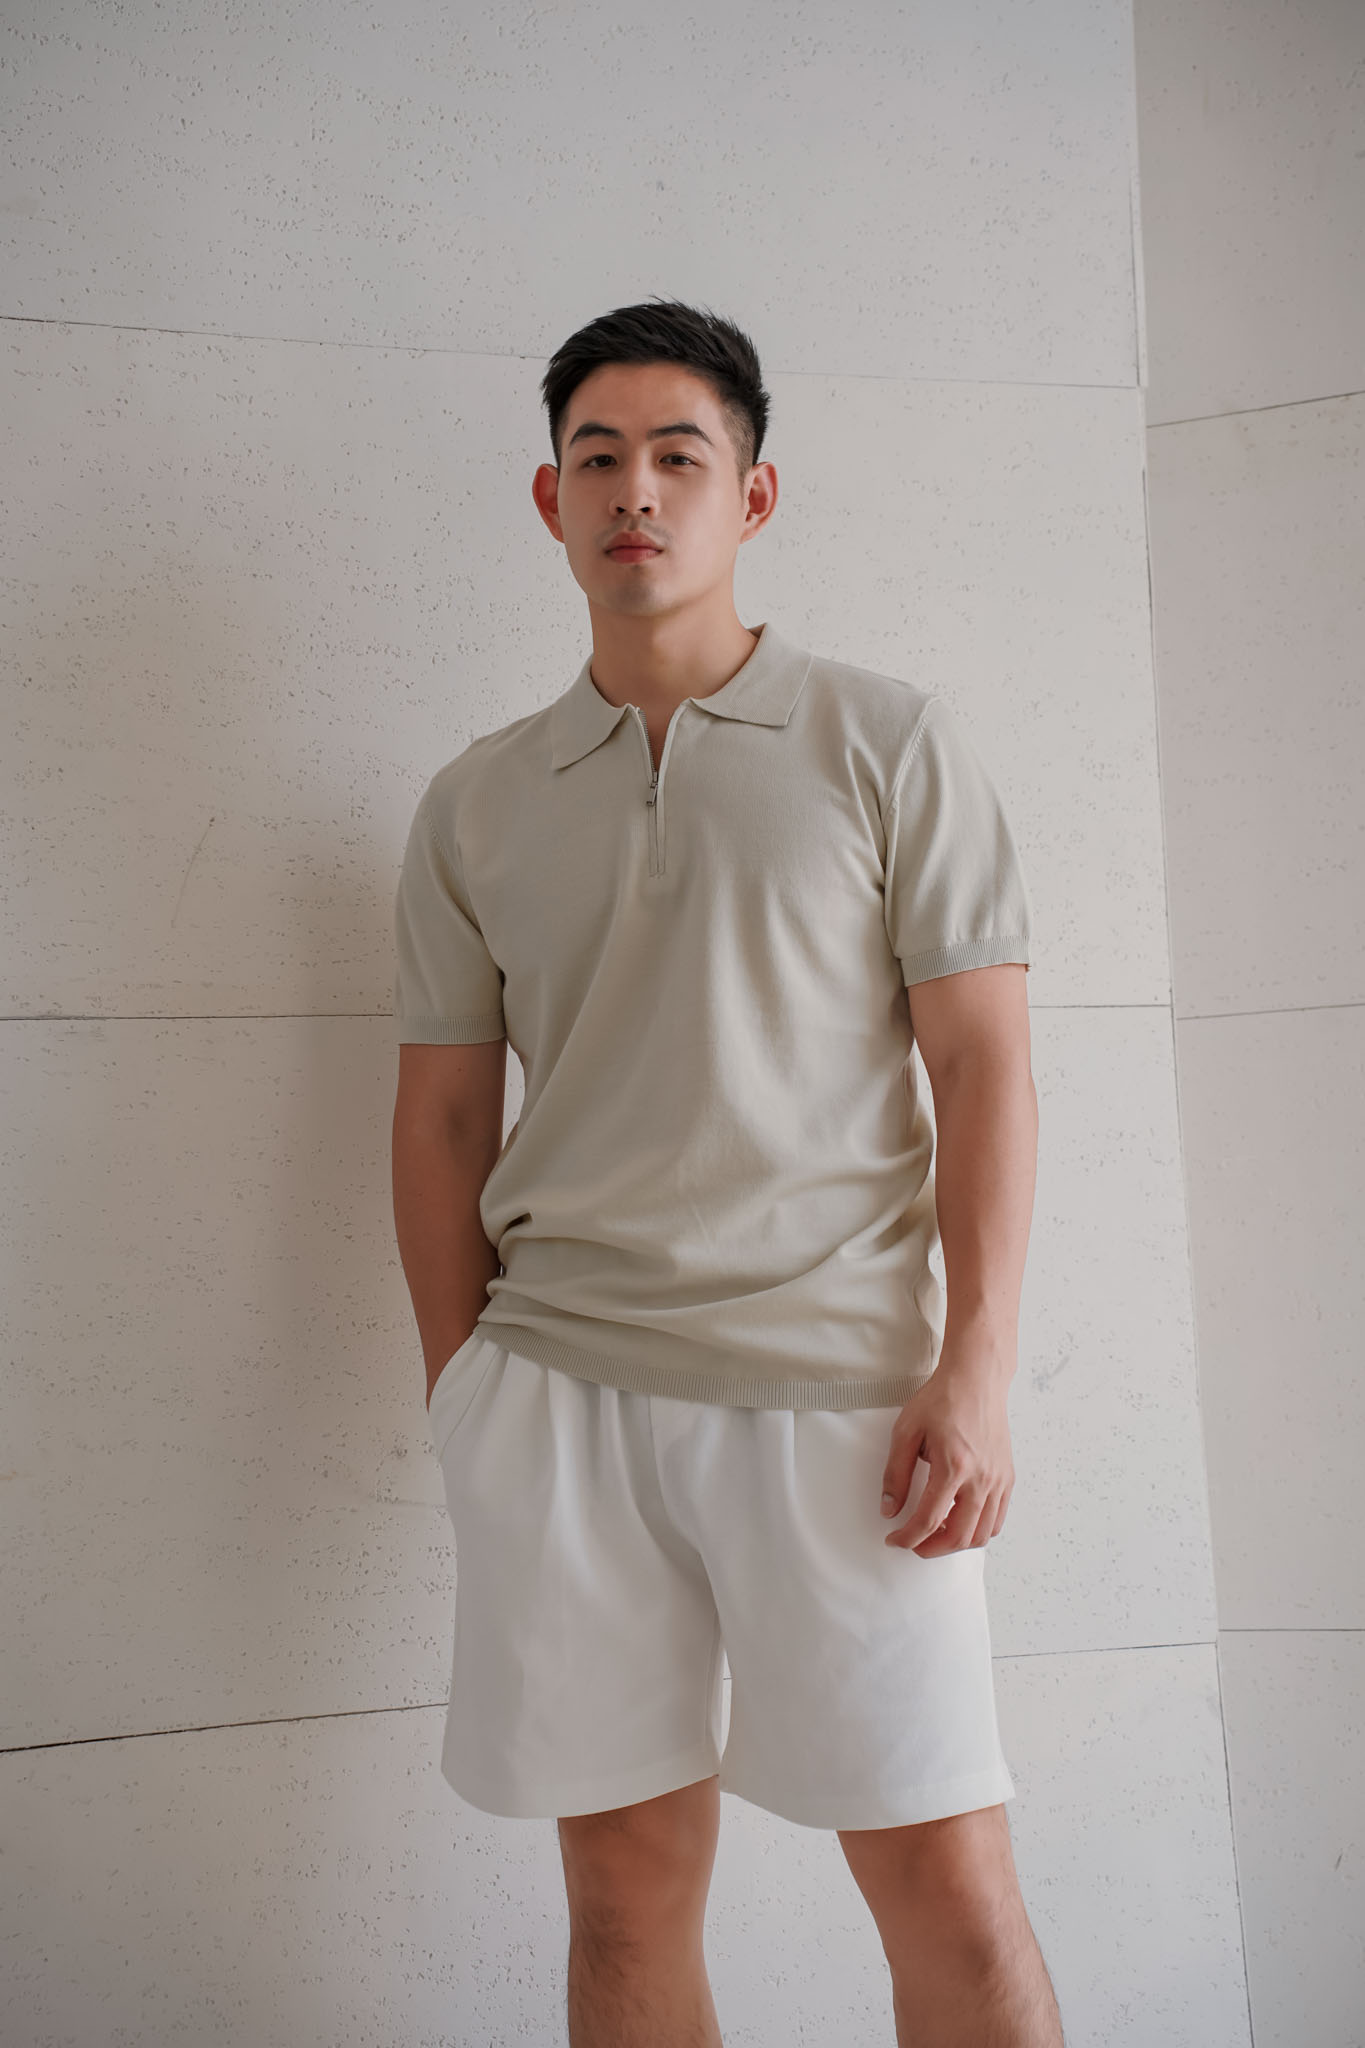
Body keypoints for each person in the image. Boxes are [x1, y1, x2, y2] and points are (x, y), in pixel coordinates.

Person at [390, 297, 1065, 2047]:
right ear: (549, 500)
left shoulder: (886, 740)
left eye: (678, 456)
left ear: (750, 496)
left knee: (950, 1888)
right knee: (621, 1895)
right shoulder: (473, 802)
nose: (635, 490)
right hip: (558, 1402)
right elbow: (444, 1118)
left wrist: (977, 1368)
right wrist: (462, 1390)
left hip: (842, 1408)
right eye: (596, 457)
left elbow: (983, 1068)